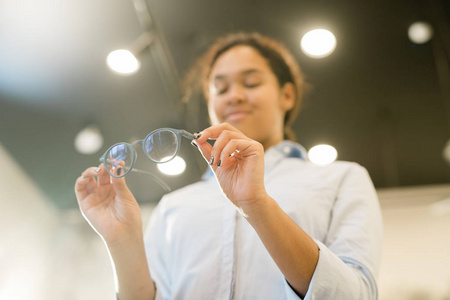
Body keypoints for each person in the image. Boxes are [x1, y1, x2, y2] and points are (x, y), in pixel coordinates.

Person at [75, 32, 383, 300]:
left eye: (250, 83)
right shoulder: (173, 206)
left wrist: (256, 204)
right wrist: (122, 241)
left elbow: (354, 295)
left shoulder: (341, 178)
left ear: (286, 95)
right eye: (220, 89)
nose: (234, 96)